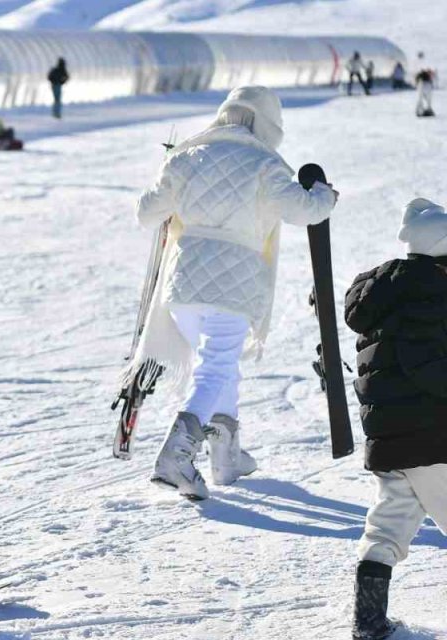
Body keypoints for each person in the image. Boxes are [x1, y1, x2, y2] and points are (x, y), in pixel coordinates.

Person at [131, 85, 338, 500]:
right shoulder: (265, 162)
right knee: (216, 367)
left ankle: (226, 455)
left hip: (183, 283)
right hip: (234, 284)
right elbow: (303, 210)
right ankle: (176, 454)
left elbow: (146, 213)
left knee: (218, 366)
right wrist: (324, 196)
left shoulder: (187, 155)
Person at [342, 197, 447, 640]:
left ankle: (369, 623)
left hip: (389, 439)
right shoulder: (434, 297)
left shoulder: (383, 297)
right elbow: (432, 371)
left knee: (386, 529)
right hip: (435, 440)